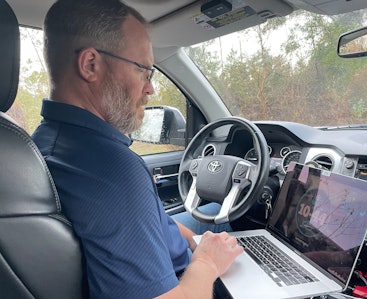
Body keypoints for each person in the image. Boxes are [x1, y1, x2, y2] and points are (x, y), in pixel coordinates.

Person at [31, 0, 243, 298]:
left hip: (173, 261)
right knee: (236, 230)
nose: (150, 88)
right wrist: (207, 261)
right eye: (144, 70)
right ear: (90, 64)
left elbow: (149, 218)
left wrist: (197, 242)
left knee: (209, 217)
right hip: (185, 281)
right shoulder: (110, 169)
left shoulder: (47, 139)